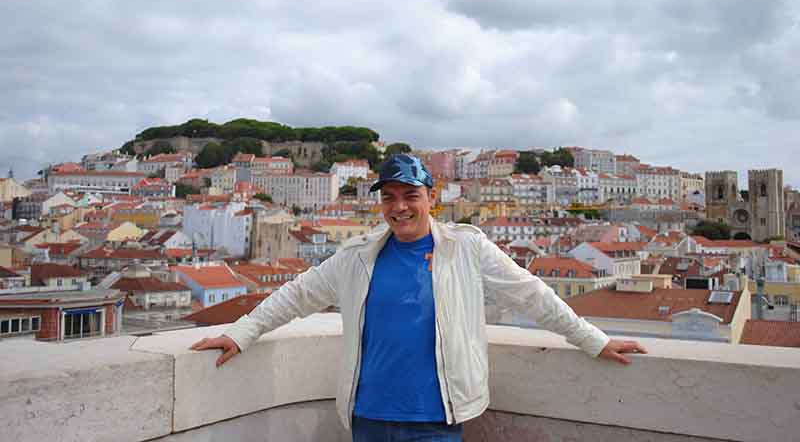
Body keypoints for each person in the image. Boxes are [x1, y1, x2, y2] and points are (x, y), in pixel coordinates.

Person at [190, 153, 647, 441]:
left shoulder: (466, 248)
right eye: (389, 197)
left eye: (410, 195)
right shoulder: (357, 257)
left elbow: (531, 295)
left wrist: (593, 340)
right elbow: (296, 296)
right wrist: (242, 332)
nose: (399, 206)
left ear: (433, 199)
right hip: (366, 416)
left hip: (435, 419)